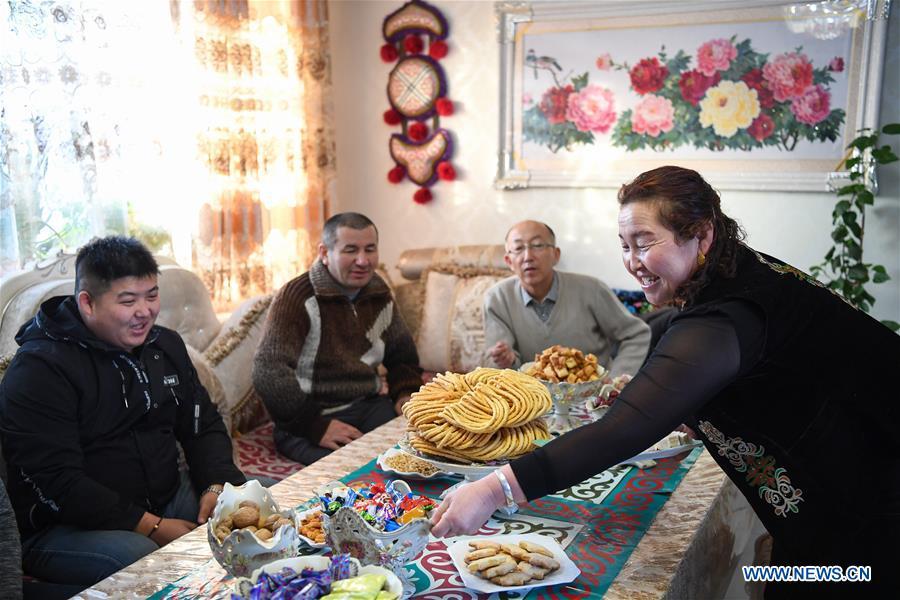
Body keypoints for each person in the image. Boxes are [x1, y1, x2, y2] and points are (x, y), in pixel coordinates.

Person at [431, 167, 900, 597]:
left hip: (870, 508)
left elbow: (623, 430)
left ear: (701, 235)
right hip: (839, 501)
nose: (631, 261)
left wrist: (492, 490)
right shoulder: (736, 271)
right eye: (624, 244)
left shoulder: (723, 317)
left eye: (644, 241)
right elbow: (762, 380)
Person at [0, 236, 246, 595]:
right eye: (128, 300)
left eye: (151, 295)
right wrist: (153, 526)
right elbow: (59, 481)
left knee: (260, 499)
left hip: (166, 493)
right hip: (66, 525)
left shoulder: (164, 345)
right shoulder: (40, 369)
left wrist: (216, 483)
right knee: (153, 562)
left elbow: (202, 422)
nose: (145, 311)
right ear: (88, 302)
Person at [253, 212, 422, 466]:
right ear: (324, 252)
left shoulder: (379, 291)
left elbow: (402, 355)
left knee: (414, 452)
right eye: (350, 250)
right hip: (309, 416)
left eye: (370, 249)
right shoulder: (297, 297)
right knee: (352, 470)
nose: (363, 261)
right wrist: (316, 426)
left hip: (368, 404)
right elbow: (268, 371)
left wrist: (404, 394)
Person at [483, 220, 650, 377]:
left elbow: (636, 334)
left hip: (592, 397)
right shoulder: (496, 299)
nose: (528, 256)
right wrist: (508, 360)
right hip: (532, 401)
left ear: (556, 255)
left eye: (537, 245)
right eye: (518, 248)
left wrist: (615, 382)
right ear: (508, 261)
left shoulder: (592, 289)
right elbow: (501, 364)